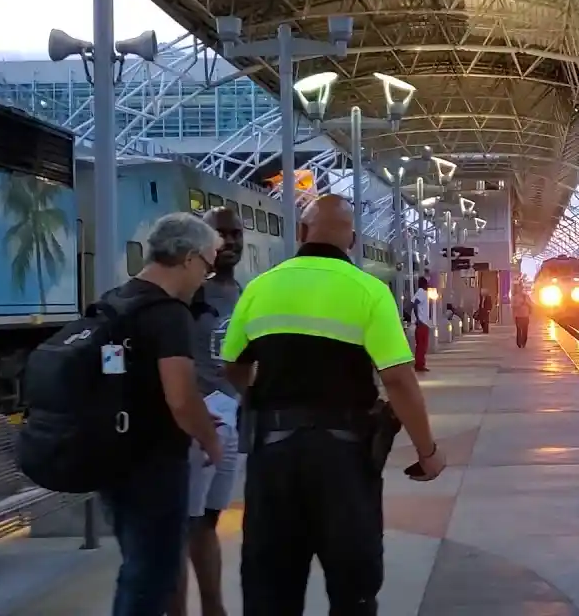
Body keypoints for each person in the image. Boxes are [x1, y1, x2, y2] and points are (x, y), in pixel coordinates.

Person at [218, 194, 446, 615]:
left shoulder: (260, 287)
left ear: (302, 232)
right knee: (353, 589)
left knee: (269, 589)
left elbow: (232, 366)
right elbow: (398, 378)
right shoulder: (369, 291)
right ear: (353, 242)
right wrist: (427, 452)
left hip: (273, 458)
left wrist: (265, 396)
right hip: (345, 461)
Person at [103, 213, 225, 616]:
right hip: (155, 461)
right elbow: (181, 397)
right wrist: (209, 438)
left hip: (114, 456)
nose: (205, 277)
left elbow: (112, 377)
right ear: (189, 259)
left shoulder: (115, 301)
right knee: (153, 574)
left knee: (136, 568)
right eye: (207, 266)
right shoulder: (169, 314)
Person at [171, 206, 245, 616]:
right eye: (222, 235)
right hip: (200, 422)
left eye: (236, 234)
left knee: (207, 522)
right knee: (183, 527)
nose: (230, 242)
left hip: (231, 419)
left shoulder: (244, 292)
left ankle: (214, 608)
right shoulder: (187, 293)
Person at [412, 276, 433, 372]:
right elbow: (415, 304)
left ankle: (420, 363)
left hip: (424, 323)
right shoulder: (421, 292)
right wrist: (418, 319)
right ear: (424, 284)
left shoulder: (422, 292)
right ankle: (419, 364)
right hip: (422, 323)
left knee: (422, 345)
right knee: (422, 345)